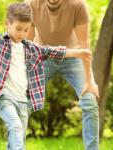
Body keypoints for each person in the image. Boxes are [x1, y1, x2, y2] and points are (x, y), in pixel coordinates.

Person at [0, 2, 94, 150]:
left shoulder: (32, 49)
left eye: (26, 30)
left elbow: (54, 51)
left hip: (23, 101)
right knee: (15, 126)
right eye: (18, 29)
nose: (22, 34)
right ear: (7, 24)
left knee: (17, 136)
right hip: (4, 97)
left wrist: (78, 52)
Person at [25, 0, 100, 149]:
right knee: (21, 100)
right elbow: (27, 44)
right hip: (43, 57)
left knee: (90, 101)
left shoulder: (77, 5)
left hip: (73, 57)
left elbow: (84, 43)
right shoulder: (30, 5)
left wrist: (89, 81)